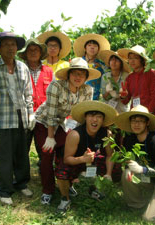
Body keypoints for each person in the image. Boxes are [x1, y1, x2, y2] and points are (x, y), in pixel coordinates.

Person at [34, 57, 100, 205]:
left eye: (82, 74)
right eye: (75, 73)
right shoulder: (56, 86)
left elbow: (83, 115)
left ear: (86, 77)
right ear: (69, 74)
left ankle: (67, 184)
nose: (78, 77)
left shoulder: (87, 90)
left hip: (63, 124)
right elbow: (50, 114)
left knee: (65, 153)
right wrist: (50, 137)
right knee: (47, 154)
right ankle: (48, 190)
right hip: (45, 123)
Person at [0, 31, 34, 205]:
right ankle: (4, 190)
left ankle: (21, 183)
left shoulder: (22, 67)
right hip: (2, 117)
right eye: (7, 44)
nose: (11, 48)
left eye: (14, 44)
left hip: (21, 117)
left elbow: (28, 94)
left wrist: (30, 112)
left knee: (21, 153)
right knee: (4, 155)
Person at [114, 105, 155, 223]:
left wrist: (142, 170)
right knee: (127, 175)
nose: (136, 124)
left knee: (149, 219)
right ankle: (137, 205)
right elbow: (129, 161)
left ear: (147, 123)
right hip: (152, 179)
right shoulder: (131, 140)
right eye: (134, 121)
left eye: (141, 121)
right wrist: (130, 168)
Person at [55, 100, 118, 212]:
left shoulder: (106, 134)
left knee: (117, 167)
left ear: (103, 120)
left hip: (92, 161)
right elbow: (67, 159)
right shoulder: (75, 135)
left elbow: (110, 155)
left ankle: (94, 189)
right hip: (76, 161)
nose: (95, 120)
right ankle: (65, 198)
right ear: (85, 117)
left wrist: (108, 174)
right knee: (62, 172)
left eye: (99, 116)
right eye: (91, 116)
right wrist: (82, 159)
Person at [18, 38, 53, 166]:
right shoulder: (19, 69)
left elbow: (53, 94)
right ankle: (21, 176)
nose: (33, 52)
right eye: (30, 50)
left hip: (43, 116)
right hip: (24, 114)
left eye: (36, 50)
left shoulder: (48, 71)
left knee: (44, 148)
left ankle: (44, 171)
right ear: (25, 53)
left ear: (40, 53)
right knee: (22, 147)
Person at [117, 45, 155, 116]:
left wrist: (148, 112)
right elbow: (125, 101)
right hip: (134, 112)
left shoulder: (150, 73)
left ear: (142, 60)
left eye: (135, 58)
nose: (132, 61)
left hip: (149, 113)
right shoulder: (130, 77)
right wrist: (123, 96)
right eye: (130, 58)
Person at [73, 33, 110, 100]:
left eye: (95, 46)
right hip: (77, 98)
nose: (92, 47)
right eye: (89, 45)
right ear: (85, 48)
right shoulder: (77, 62)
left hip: (94, 98)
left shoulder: (102, 65)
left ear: (98, 49)